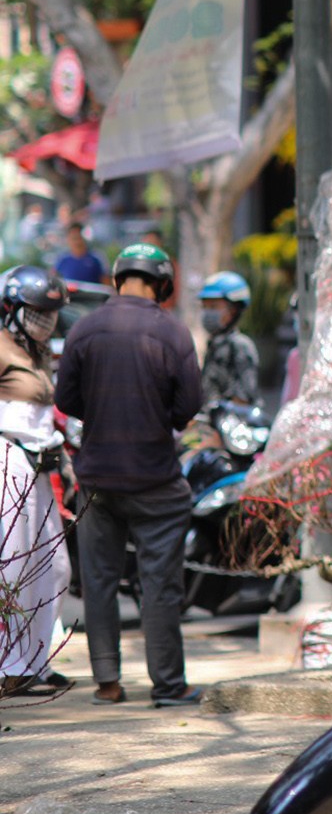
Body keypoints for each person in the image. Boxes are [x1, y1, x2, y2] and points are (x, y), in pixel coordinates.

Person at [53, 243, 203, 707]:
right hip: (155, 479)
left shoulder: (84, 328)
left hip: (96, 479)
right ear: (161, 285)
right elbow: (188, 408)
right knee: (160, 584)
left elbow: (66, 401)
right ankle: (168, 687)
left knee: (97, 581)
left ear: (118, 278)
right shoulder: (174, 333)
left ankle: (108, 684)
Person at [0, 266, 72, 697]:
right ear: (10, 309)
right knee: (11, 565)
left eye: (51, 313)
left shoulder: (39, 352)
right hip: (8, 459)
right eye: (36, 312)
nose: (46, 321)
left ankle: (35, 662)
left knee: (55, 566)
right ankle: (8, 665)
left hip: (42, 464)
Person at [197, 272, 260, 407]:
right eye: (204, 307)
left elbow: (244, 398)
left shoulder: (240, 345)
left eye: (213, 307)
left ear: (234, 310)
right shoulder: (214, 344)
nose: (207, 313)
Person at [52, 222, 107, 287]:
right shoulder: (62, 260)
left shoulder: (96, 259)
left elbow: (106, 283)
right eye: (73, 238)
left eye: (78, 237)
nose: (76, 242)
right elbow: (54, 281)